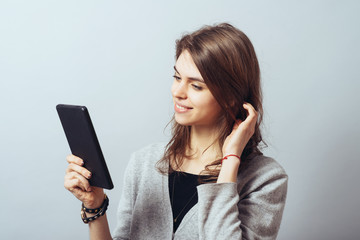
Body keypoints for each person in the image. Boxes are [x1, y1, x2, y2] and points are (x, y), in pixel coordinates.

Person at [64, 23, 288, 240]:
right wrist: (95, 208)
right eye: (177, 77)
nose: (178, 91)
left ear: (231, 97)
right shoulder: (144, 163)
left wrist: (230, 160)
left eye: (196, 85)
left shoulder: (266, 179)